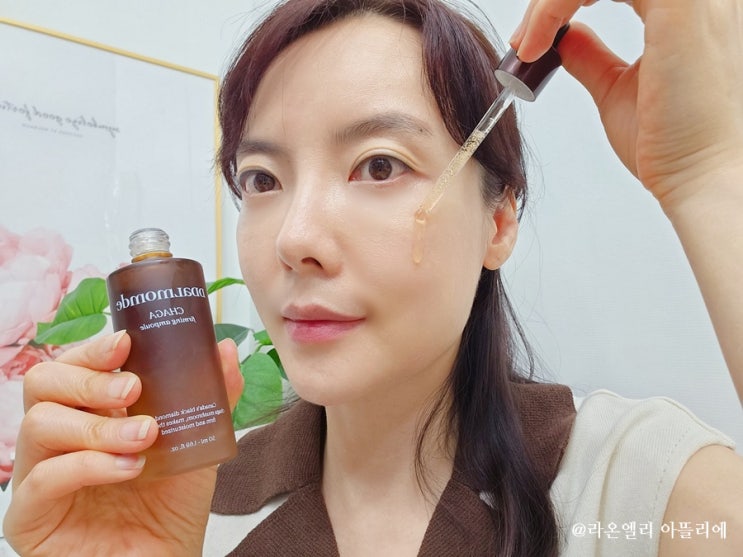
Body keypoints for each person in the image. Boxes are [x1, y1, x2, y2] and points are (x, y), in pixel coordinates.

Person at [4, 0, 743, 555]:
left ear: (497, 223)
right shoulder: (190, 508)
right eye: (261, 179)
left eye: (379, 165)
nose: (294, 238)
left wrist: (709, 173)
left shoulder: (634, 487)